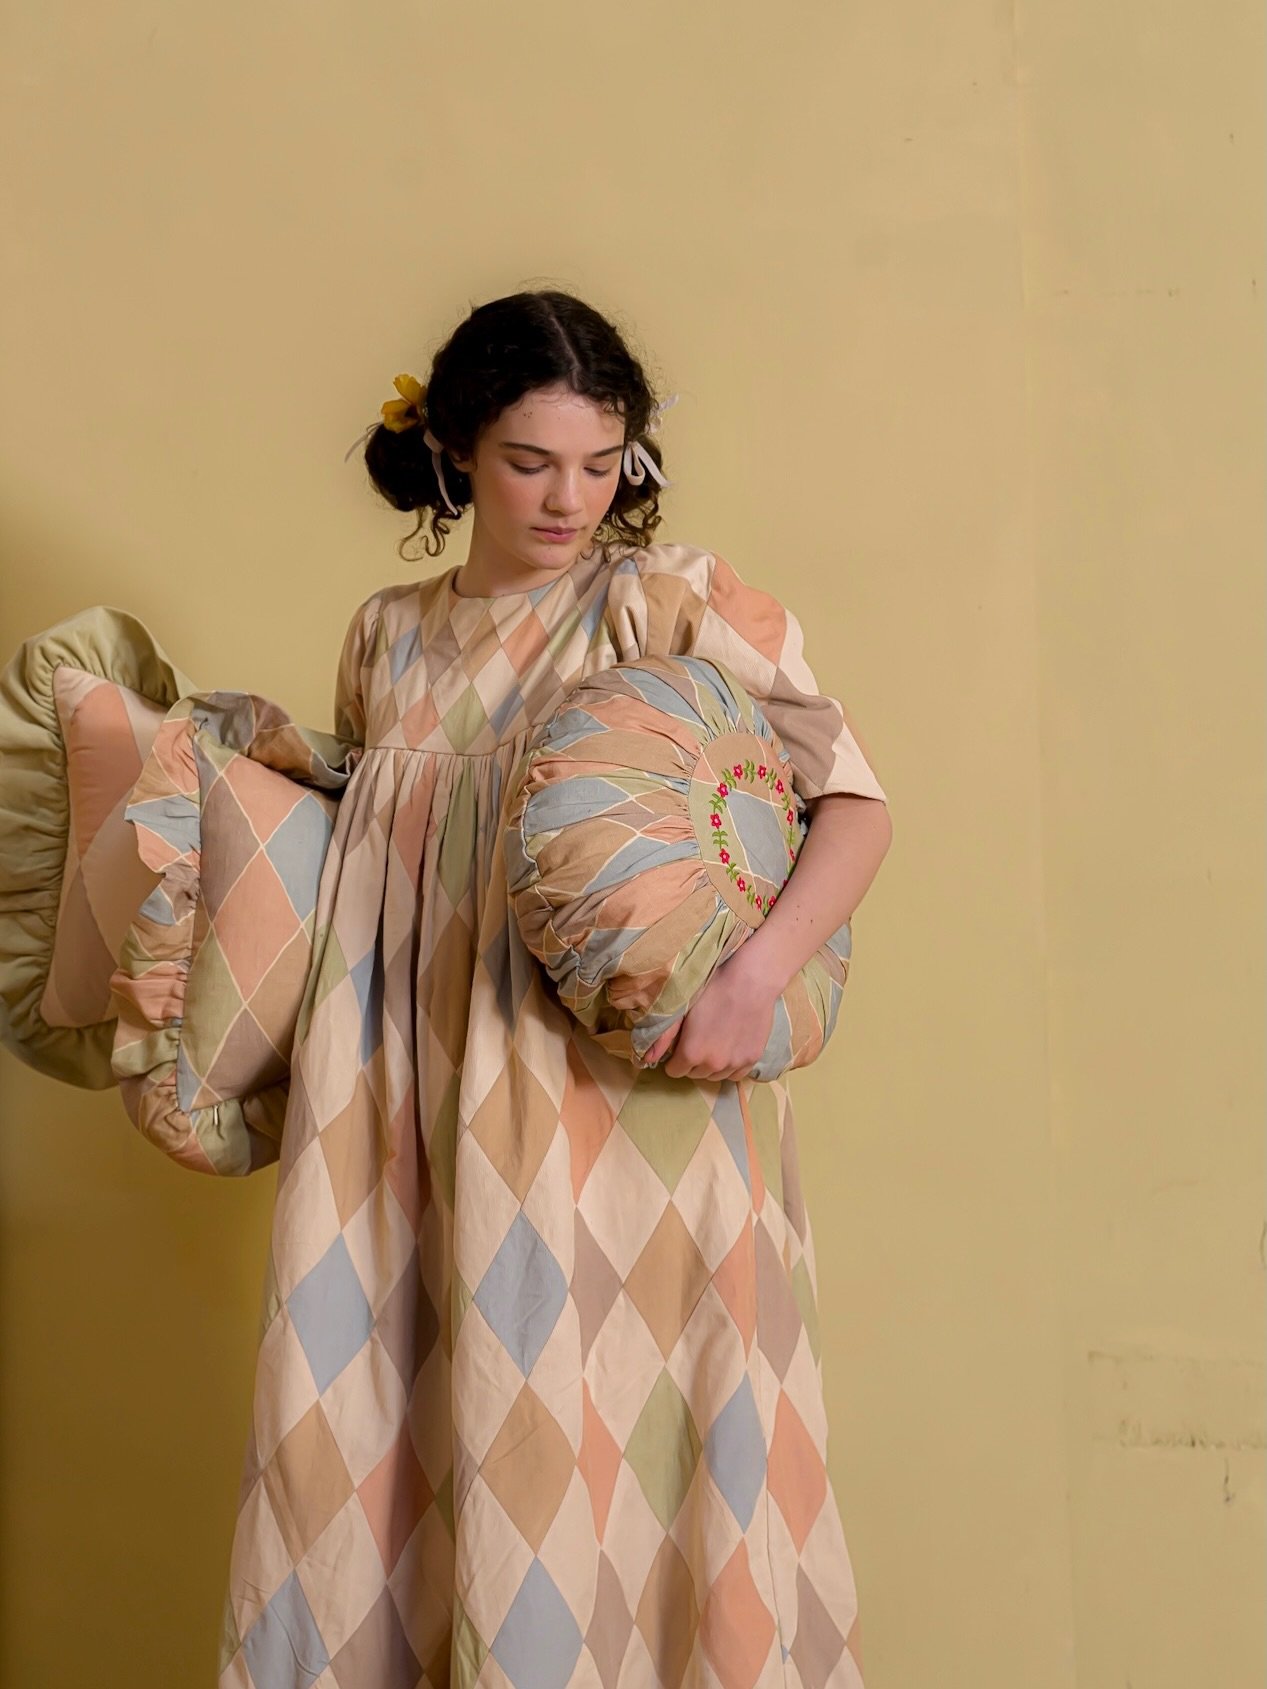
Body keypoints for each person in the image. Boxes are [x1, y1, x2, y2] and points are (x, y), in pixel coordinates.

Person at [219, 288, 892, 1689]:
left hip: (625, 1112)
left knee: (630, 1441)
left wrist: (756, 980)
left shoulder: (660, 603)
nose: (571, 499)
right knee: (394, 1434)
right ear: (456, 449)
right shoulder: (387, 635)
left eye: (600, 463)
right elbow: (373, 864)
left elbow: (855, 807)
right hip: (408, 1107)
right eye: (530, 462)